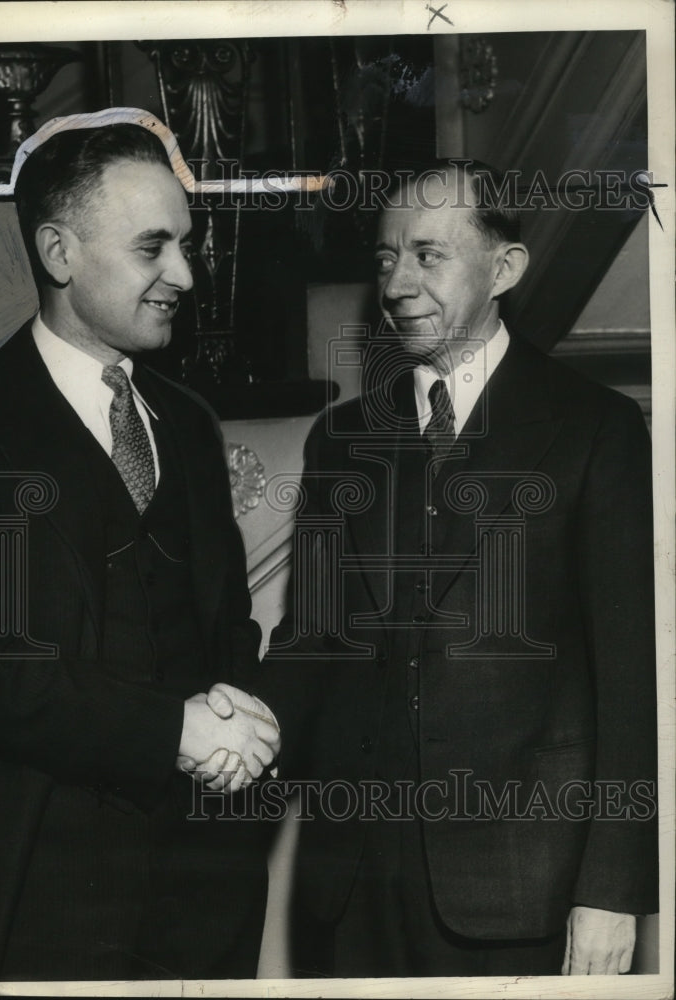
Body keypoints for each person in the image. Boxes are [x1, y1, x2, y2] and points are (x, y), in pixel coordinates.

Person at [248, 160, 658, 977]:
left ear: (503, 268)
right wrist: (233, 728)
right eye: (384, 257)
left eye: (428, 255)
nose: (398, 282)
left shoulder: (595, 430)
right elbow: (311, 646)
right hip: (351, 890)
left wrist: (612, 888)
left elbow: (632, 676)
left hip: (522, 888)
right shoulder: (341, 439)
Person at [0, 111, 279, 982]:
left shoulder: (188, 423)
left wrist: (240, 717)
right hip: (36, 889)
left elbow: (226, 619)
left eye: (186, 245)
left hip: (204, 883)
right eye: (152, 248)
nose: (185, 276)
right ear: (59, 253)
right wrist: (174, 730)